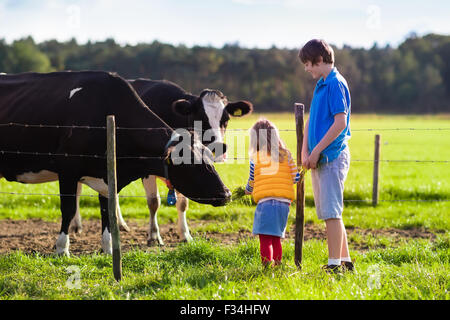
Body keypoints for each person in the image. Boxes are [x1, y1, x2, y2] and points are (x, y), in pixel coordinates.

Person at [298, 39, 354, 273]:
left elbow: (340, 122)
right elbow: (312, 119)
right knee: (329, 211)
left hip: (331, 157)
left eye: (308, 64)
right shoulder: (321, 84)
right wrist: (305, 150)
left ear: (320, 60)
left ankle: (333, 266)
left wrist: (318, 150)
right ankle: (346, 262)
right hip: (319, 158)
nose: (306, 68)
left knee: (332, 212)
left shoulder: (335, 84)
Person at [245, 118, 300, 267]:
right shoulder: (286, 155)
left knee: (264, 239)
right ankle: (278, 263)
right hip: (284, 204)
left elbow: (252, 180)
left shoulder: (255, 159)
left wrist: (247, 191)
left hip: (265, 203)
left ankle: (266, 267)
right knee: (276, 237)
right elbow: (296, 177)